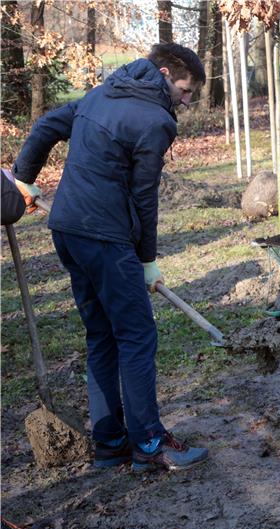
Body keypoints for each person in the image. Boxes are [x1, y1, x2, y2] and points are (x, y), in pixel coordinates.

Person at [11, 43, 210, 472]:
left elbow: (47, 126)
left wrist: (22, 180)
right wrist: (147, 259)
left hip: (66, 229)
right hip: (105, 238)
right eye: (186, 89)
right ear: (163, 73)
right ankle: (150, 443)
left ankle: (110, 443)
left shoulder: (102, 93)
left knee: (101, 335)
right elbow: (144, 198)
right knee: (137, 337)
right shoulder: (156, 120)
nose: (187, 100)